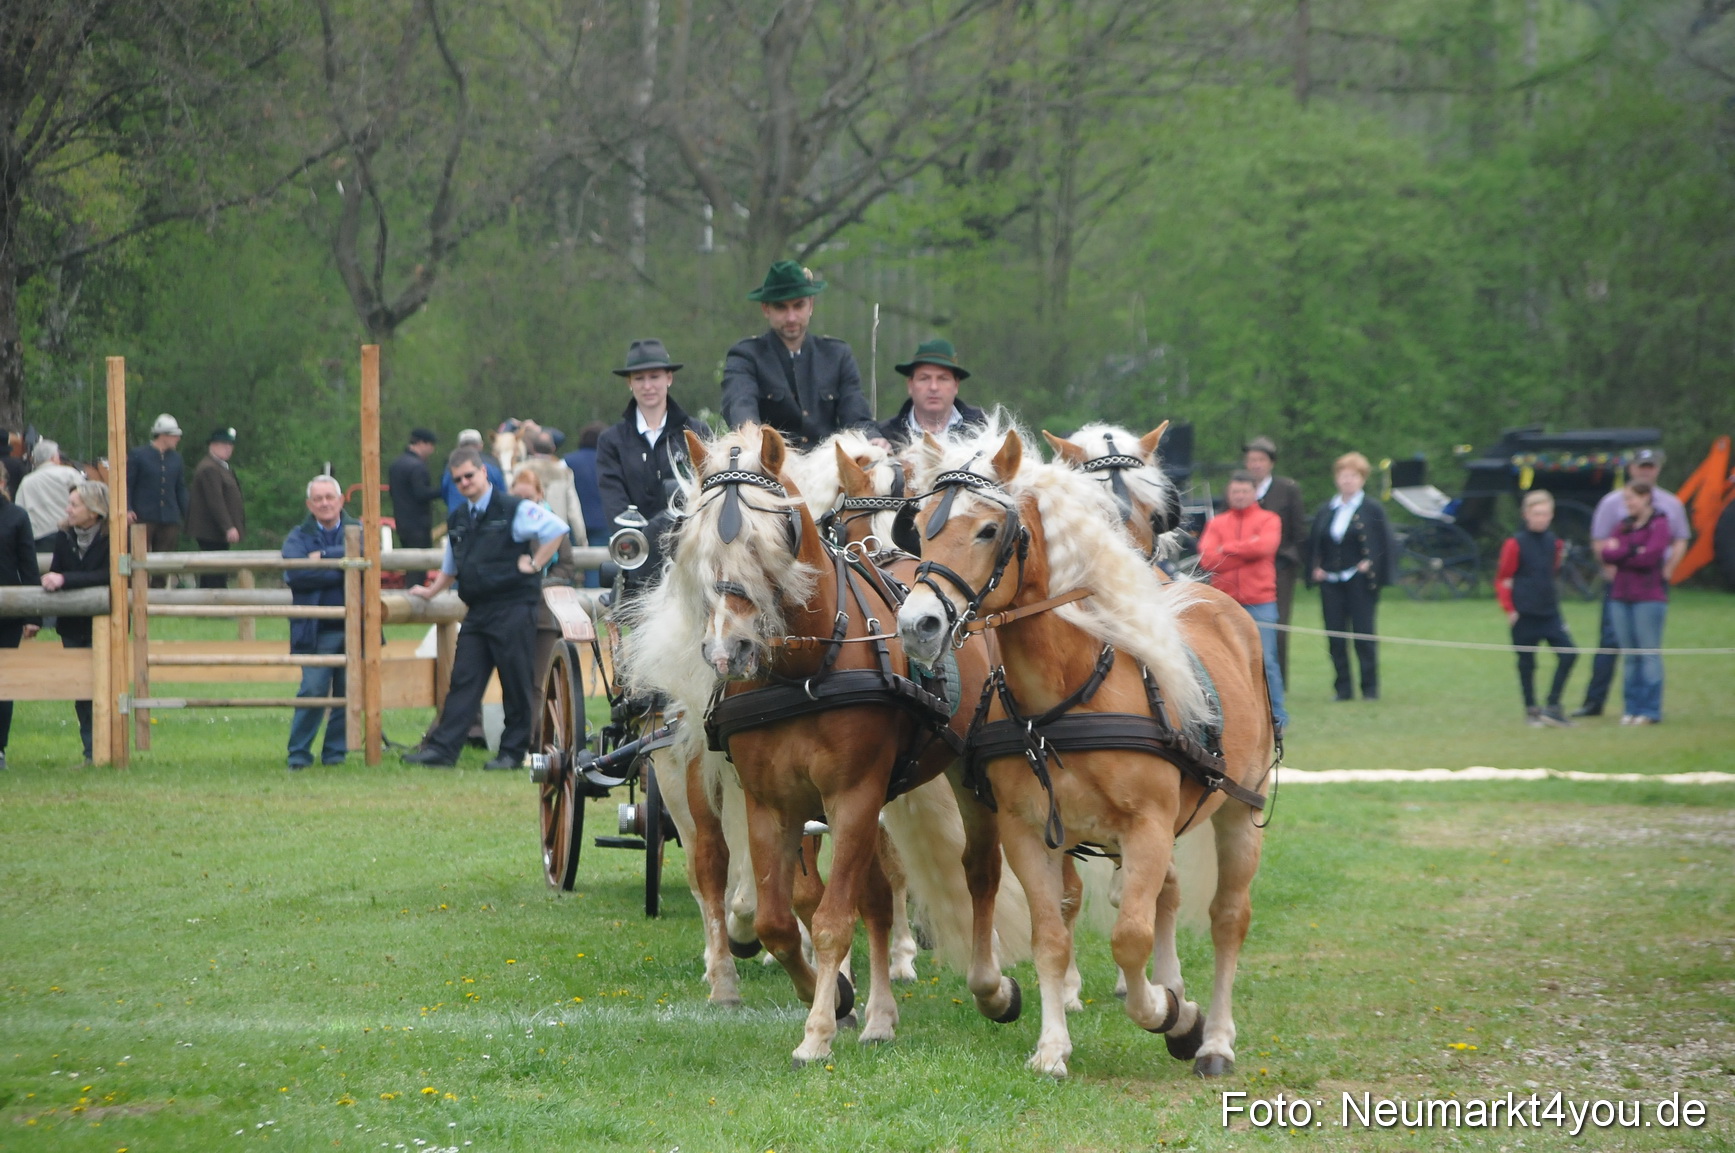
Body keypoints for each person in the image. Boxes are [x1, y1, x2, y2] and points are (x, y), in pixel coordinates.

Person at [402, 449, 568, 770]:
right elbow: (452, 563)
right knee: (464, 680)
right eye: (458, 479)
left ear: (484, 473)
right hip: (477, 609)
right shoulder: (458, 517)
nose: (464, 482)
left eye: (469, 475)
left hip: (514, 607)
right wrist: (431, 590)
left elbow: (557, 529)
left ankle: (512, 751)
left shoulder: (514, 508)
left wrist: (534, 563)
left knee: (515, 681)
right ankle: (443, 749)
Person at [1573, 448, 1690, 717]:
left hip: (1651, 585)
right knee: (1611, 643)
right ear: (1631, 468)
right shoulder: (1613, 504)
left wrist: (1668, 568)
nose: (1646, 471)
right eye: (1641, 466)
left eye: (1650, 466)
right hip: (1619, 585)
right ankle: (1597, 703)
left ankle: (1648, 709)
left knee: (1647, 648)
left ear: (1657, 469)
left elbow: (1667, 546)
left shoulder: (1669, 507)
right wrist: (1613, 564)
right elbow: (1604, 544)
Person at [720, 260, 878, 448]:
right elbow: (740, 405)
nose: (791, 317)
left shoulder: (837, 355)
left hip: (827, 468)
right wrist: (750, 434)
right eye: (781, 307)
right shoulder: (745, 355)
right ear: (766, 309)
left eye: (798, 305)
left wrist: (874, 439)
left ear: (810, 305)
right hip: (770, 467)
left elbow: (857, 417)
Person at [1198, 471, 1288, 728]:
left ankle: (1276, 715)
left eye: (1244, 491)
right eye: (1235, 491)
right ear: (1229, 493)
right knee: (1223, 660)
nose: (1239, 495)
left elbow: (1265, 547)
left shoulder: (1269, 519)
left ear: (1254, 493)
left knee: (1266, 661)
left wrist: (1226, 548)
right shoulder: (1216, 523)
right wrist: (1246, 548)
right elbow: (1207, 560)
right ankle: (1232, 714)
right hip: (1224, 603)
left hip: (1260, 602)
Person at [281, 476, 357, 769]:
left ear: (340, 501)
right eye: (318, 499)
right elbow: (297, 573)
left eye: (329, 497)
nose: (325, 503)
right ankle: (298, 755)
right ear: (309, 505)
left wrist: (322, 557)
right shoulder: (298, 536)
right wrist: (343, 567)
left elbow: (365, 556)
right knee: (312, 690)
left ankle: (335, 756)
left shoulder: (359, 530)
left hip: (353, 628)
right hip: (314, 629)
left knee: (347, 692)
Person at [1306, 451, 1395, 701]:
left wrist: (1371, 564)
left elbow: (1385, 542)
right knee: (1335, 636)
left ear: (1362, 479)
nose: (1348, 481)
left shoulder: (1371, 508)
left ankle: (1370, 688)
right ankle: (1342, 688)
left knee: (1363, 635)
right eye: (1343, 476)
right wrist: (1316, 567)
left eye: (1353, 476)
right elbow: (1315, 542)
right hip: (1331, 582)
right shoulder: (1327, 509)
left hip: (1359, 581)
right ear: (1337, 479)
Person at [596, 338, 710, 527]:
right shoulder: (611, 441)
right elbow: (613, 502)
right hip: (635, 548)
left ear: (669, 378)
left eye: (654, 376)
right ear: (629, 383)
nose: (647, 386)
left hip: (689, 544)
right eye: (639, 378)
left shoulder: (697, 433)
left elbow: (708, 493)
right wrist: (637, 541)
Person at [41, 480, 111, 763]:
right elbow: (57, 569)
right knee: (81, 690)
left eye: (75, 504)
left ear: (94, 511)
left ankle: (108, 749)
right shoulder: (63, 536)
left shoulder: (114, 536)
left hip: (105, 624)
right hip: (72, 624)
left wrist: (65, 580)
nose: (68, 509)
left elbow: (108, 575)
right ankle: (91, 752)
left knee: (104, 686)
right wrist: (51, 579)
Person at [1495, 490, 1577, 727]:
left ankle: (1553, 704)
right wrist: (1510, 609)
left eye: (1545, 514)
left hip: (1549, 612)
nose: (1541, 518)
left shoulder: (1555, 543)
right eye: (1536, 514)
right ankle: (1531, 708)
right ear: (1526, 515)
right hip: (1524, 613)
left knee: (1569, 654)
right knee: (1527, 663)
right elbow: (1503, 578)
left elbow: (1552, 573)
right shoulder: (1515, 543)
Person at [1600, 481, 1673, 725]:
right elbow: (1606, 554)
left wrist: (1624, 551)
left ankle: (1650, 710)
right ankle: (1631, 708)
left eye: (1631, 499)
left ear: (1645, 498)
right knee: (1630, 655)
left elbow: (1650, 557)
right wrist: (1633, 550)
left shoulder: (1659, 524)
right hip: (1621, 596)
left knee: (1648, 653)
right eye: (1626, 499)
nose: (1628, 504)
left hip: (1649, 598)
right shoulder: (1624, 525)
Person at [1243, 436, 1306, 685]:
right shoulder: (1239, 487)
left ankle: (1278, 681)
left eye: (1260, 460)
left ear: (1270, 463)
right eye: (1251, 460)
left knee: (1277, 626)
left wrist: (1289, 560)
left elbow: (1298, 531)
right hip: (1244, 569)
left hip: (1279, 568)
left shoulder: (1287, 489)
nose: (1255, 465)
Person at [0, 465, 42, 770]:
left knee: (3, 682)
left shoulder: (16, 516)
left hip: (8, 611)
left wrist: (32, 614)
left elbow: (28, 566)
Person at [875, 338, 988, 449]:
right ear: (910, 385)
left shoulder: (983, 429)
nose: (933, 387)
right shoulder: (885, 437)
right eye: (924, 378)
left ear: (956, 385)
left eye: (943, 379)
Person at [127, 414, 189, 587]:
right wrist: (128, 508)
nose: (177, 439)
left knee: (164, 560)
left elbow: (180, 488)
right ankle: (136, 592)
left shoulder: (176, 459)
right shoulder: (139, 455)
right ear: (163, 435)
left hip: (169, 517)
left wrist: (187, 514)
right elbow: (128, 484)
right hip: (143, 515)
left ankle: (158, 593)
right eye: (174, 435)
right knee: (137, 558)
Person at [519, 432, 588, 584]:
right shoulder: (564, 473)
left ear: (532, 448)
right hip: (558, 540)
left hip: (526, 539)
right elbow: (573, 510)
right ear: (553, 448)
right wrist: (582, 540)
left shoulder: (521, 471)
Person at [185, 427, 246, 589]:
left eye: (230, 445)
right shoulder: (209, 468)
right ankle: (213, 603)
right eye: (223, 444)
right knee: (214, 569)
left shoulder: (222, 467)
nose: (228, 448)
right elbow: (215, 501)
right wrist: (228, 526)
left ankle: (212, 605)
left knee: (217, 568)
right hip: (210, 530)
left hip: (216, 531)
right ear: (212, 446)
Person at [15, 439, 85, 550]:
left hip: (40, 540)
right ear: (53, 458)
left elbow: (18, 512)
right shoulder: (70, 474)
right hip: (70, 535)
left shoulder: (26, 482)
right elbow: (87, 499)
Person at [564, 421, 609, 587]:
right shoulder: (610, 462)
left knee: (568, 563)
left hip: (573, 522)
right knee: (595, 565)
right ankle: (596, 606)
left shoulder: (568, 461)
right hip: (602, 521)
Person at [388, 429, 440, 548]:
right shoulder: (418, 467)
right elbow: (421, 493)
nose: (432, 450)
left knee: (408, 561)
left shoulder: (396, 464)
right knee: (421, 562)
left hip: (401, 523)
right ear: (421, 443)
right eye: (430, 445)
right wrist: (442, 491)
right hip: (419, 525)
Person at [440, 429, 505, 512]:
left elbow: (444, 493)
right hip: (490, 517)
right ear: (481, 445)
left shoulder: (451, 468)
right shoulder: (492, 465)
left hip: (457, 518)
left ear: (459, 447)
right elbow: (502, 493)